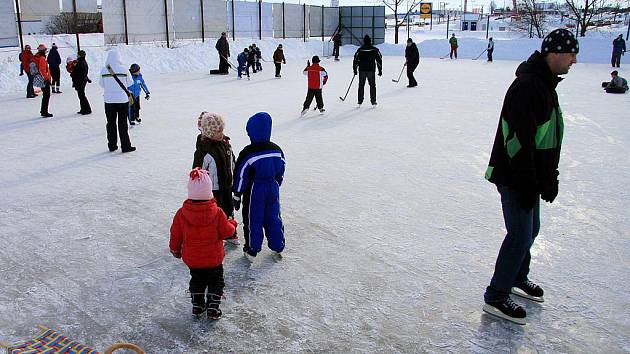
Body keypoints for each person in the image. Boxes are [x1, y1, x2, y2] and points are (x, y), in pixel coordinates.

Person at [483, 28, 578, 325]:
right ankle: (496, 295)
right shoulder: (528, 86)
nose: (574, 60)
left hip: (529, 175)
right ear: (554, 53)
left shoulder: (545, 84)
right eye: (571, 53)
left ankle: (517, 276)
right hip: (514, 175)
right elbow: (517, 140)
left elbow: (547, 137)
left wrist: (549, 176)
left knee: (531, 229)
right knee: (519, 234)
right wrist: (527, 182)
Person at [170, 168, 238, 319]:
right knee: (216, 281)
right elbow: (227, 232)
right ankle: (213, 308)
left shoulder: (181, 213)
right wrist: (232, 224)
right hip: (213, 259)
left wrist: (175, 249)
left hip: (193, 259)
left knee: (197, 279)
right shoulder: (218, 212)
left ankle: (197, 305)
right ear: (209, 192)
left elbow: (175, 233)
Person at [232, 112, 286, 262]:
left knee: (253, 218)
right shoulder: (276, 149)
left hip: (255, 190)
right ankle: (278, 245)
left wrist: (237, 194)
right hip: (272, 188)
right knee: (273, 216)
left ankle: (252, 249)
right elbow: (281, 168)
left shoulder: (248, 152)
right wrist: (276, 183)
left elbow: (241, 174)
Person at [193, 112, 239, 245]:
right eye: (217, 131)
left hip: (227, 184)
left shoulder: (225, 144)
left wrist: (235, 173)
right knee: (215, 212)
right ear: (209, 133)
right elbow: (197, 172)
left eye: (221, 130)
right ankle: (216, 235)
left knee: (229, 209)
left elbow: (232, 160)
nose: (221, 133)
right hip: (213, 189)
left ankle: (231, 233)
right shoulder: (204, 151)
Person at [99, 50, 135, 153]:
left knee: (110, 123)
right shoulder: (124, 69)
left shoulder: (104, 70)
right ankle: (125, 146)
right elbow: (129, 83)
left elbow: (101, 84)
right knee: (122, 123)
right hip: (122, 100)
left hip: (108, 100)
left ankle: (112, 145)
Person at [353, 35, 383, 106]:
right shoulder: (375, 49)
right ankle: (373, 101)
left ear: (364, 41)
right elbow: (379, 60)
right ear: (370, 41)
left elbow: (355, 60)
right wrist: (380, 70)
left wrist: (354, 69)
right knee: (372, 85)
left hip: (362, 70)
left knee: (361, 85)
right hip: (371, 70)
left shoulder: (360, 50)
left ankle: (360, 101)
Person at [32, 44, 53, 117]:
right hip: (44, 79)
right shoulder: (42, 58)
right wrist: (46, 79)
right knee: (46, 95)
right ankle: (44, 111)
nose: (46, 52)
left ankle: (43, 110)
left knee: (45, 95)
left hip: (41, 79)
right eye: (45, 50)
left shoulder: (38, 57)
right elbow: (42, 70)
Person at [71, 50, 92, 115]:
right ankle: (83, 108)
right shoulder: (81, 62)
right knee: (81, 95)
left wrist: (72, 73)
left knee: (82, 95)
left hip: (80, 81)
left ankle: (87, 109)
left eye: (78, 55)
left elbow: (78, 72)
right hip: (80, 81)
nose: (77, 56)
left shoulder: (81, 63)